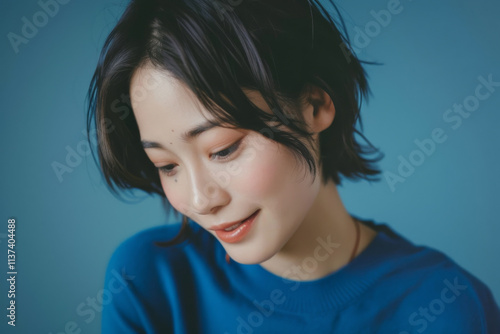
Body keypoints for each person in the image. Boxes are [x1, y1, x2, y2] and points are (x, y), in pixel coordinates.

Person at [87, 0, 500, 333]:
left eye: (224, 149)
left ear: (315, 106)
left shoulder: (443, 304)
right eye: (167, 164)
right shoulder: (148, 280)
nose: (199, 200)